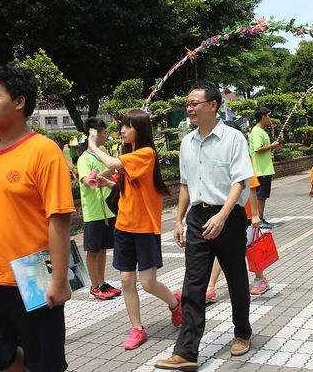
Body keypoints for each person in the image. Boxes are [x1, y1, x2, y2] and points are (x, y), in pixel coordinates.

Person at [0, 62, 75, 372]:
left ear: (19, 102)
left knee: (44, 362)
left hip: (33, 273)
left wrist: (60, 281)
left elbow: (59, 219)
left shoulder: (44, 151)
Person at [155, 82, 254, 371]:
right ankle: (186, 352)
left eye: (195, 103)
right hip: (198, 218)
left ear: (213, 105)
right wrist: (178, 219)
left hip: (229, 217)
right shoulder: (187, 142)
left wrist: (222, 216)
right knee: (193, 284)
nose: (189, 108)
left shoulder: (234, 138)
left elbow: (240, 182)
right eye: (188, 103)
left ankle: (242, 332)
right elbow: (186, 185)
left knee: (236, 278)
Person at [87, 109, 181, 350]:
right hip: (123, 227)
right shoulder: (132, 156)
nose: (122, 130)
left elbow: (110, 162)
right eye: (122, 126)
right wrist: (108, 182)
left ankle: (175, 303)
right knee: (126, 280)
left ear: (140, 129)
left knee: (148, 283)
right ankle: (137, 328)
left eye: (128, 126)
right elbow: (127, 184)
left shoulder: (146, 154)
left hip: (145, 228)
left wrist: (92, 144)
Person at [206, 120, 267, 302]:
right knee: (222, 250)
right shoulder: (218, 159)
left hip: (245, 213)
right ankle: (210, 286)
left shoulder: (244, 158)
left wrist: (255, 215)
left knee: (251, 247)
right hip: (226, 214)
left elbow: (253, 187)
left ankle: (260, 279)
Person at [77, 117, 122, 301]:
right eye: (104, 132)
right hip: (94, 213)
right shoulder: (84, 159)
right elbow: (88, 182)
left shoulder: (102, 153)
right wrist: (106, 172)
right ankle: (94, 287)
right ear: (94, 134)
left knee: (103, 249)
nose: (106, 136)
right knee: (93, 250)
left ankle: (102, 283)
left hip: (107, 211)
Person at [249, 107, 280, 229]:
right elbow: (257, 149)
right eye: (268, 115)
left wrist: (270, 152)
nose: (269, 118)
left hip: (265, 169)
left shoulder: (261, 131)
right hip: (260, 170)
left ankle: (260, 217)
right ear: (263, 117)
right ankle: (259, 218)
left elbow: (262, 149)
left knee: (263, 195)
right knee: (260, 195)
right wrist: (272, 146)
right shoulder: (257, 131)